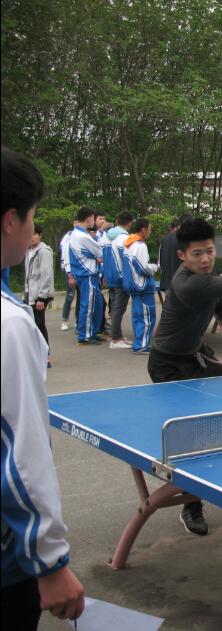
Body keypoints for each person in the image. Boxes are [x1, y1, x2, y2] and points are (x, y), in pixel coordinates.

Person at [1, 146, 86, 629]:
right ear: (10, 220)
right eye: (32, 217)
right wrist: (50, 563)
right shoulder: (10, 326)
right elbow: (22, 456)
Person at [147, 218, 222, 536]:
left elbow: (219, 302)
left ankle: (220, 471)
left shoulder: (206, 277)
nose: (206, 259)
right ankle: (191, 504)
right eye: (197, 254)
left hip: (195, 356)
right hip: (168, 365)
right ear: (182, 256)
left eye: (210, 251)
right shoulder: (187, 284)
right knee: (188, 436)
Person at [68, 207, 104, 344]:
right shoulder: (82, 236)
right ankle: (85, 335)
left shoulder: (78, 234)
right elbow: (99, 251)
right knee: (88, 305)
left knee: (97, 303)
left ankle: (93, 331)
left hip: (88, 274)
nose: (94, 221)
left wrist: (94, 256)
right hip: (87, 273)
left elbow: (94, 253)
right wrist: (95, 256)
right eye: (93, 218)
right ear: (89, 218)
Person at [122, 218, 158, 354]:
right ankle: (142, 345)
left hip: (133, 285)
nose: (150, 232)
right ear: (143, 230)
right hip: (142, 286)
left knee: (137, 317)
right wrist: (155, 267)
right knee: (147, 317)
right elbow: (143, 268)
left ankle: (139, 342)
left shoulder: (129, 244)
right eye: (149, 229)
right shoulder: (140, 246)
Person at [103, 211, 133, 349]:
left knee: (115, 308)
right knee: (118, 309)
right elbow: (127, 259)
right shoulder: (124, 238)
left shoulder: (106, 236)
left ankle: (118, 336)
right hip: (121, 277)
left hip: (110, 276)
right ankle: (115, 339)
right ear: (130, 223)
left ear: (116, 221)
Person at [23, 225, 55, 356]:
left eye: (34, 234)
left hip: (40, 295)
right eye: (29, 234)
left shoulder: (43, 251)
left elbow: (46, 275)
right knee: (33, 325)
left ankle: (45, 356)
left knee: (39, 325)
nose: (32, 237)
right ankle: (37, 355)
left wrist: (41, 297)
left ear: (40, 236)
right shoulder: (28, 251)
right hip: (30, 293)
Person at [158, 213, 192, 296]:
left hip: (167, 283)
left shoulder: (165, 238)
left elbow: (160, 261)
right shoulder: (186, 238)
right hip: (182, 284)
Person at [58, 221, 79, 331]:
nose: (77, 224)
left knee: (81, 297)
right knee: (70, 296)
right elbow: (64, 253)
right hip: (71, 270)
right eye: (75, 222)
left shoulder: (84, 235)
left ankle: (78, 320)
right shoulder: (69, 236)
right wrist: (69, 272)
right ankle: (64, 320)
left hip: (81, 271)